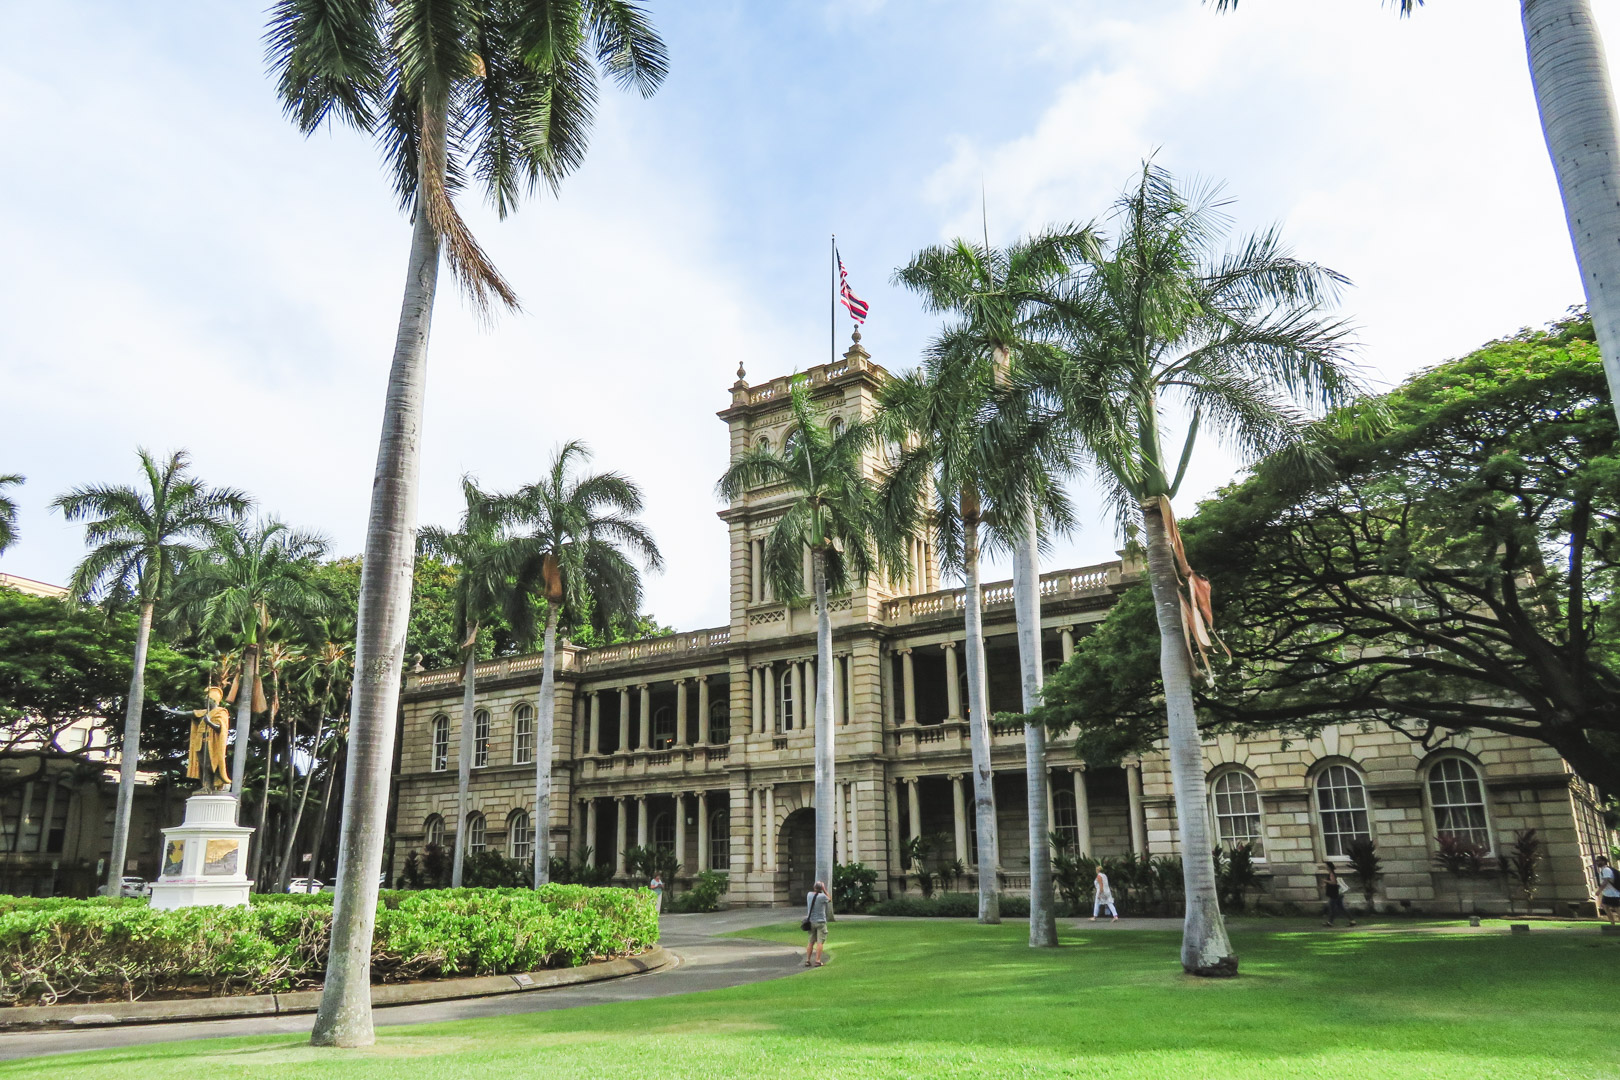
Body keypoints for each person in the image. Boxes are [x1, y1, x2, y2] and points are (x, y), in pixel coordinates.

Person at [804, 880, 831, 967]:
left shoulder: (809, 895)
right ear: (821, 888)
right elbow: (829, 899)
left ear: (814, 887)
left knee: (810, 942)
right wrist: (824, 889)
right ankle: (818, 960)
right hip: (821, 922)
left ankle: (807, 960)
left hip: (811, 922)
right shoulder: (822, 896)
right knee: (820, 942)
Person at [1596, 856, 1620, 926]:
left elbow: (1605, 881)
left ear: (1603, 861)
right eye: (1597, 861)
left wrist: (1599, 891)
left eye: (1598, 861)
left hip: (1613, 893)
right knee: (1605, 907)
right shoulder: (1603, 870)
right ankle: (1612, 924)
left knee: (1617, 909)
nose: (1597, 862)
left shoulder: (1606, 870)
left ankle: (1613, 923)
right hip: (1607, 894)